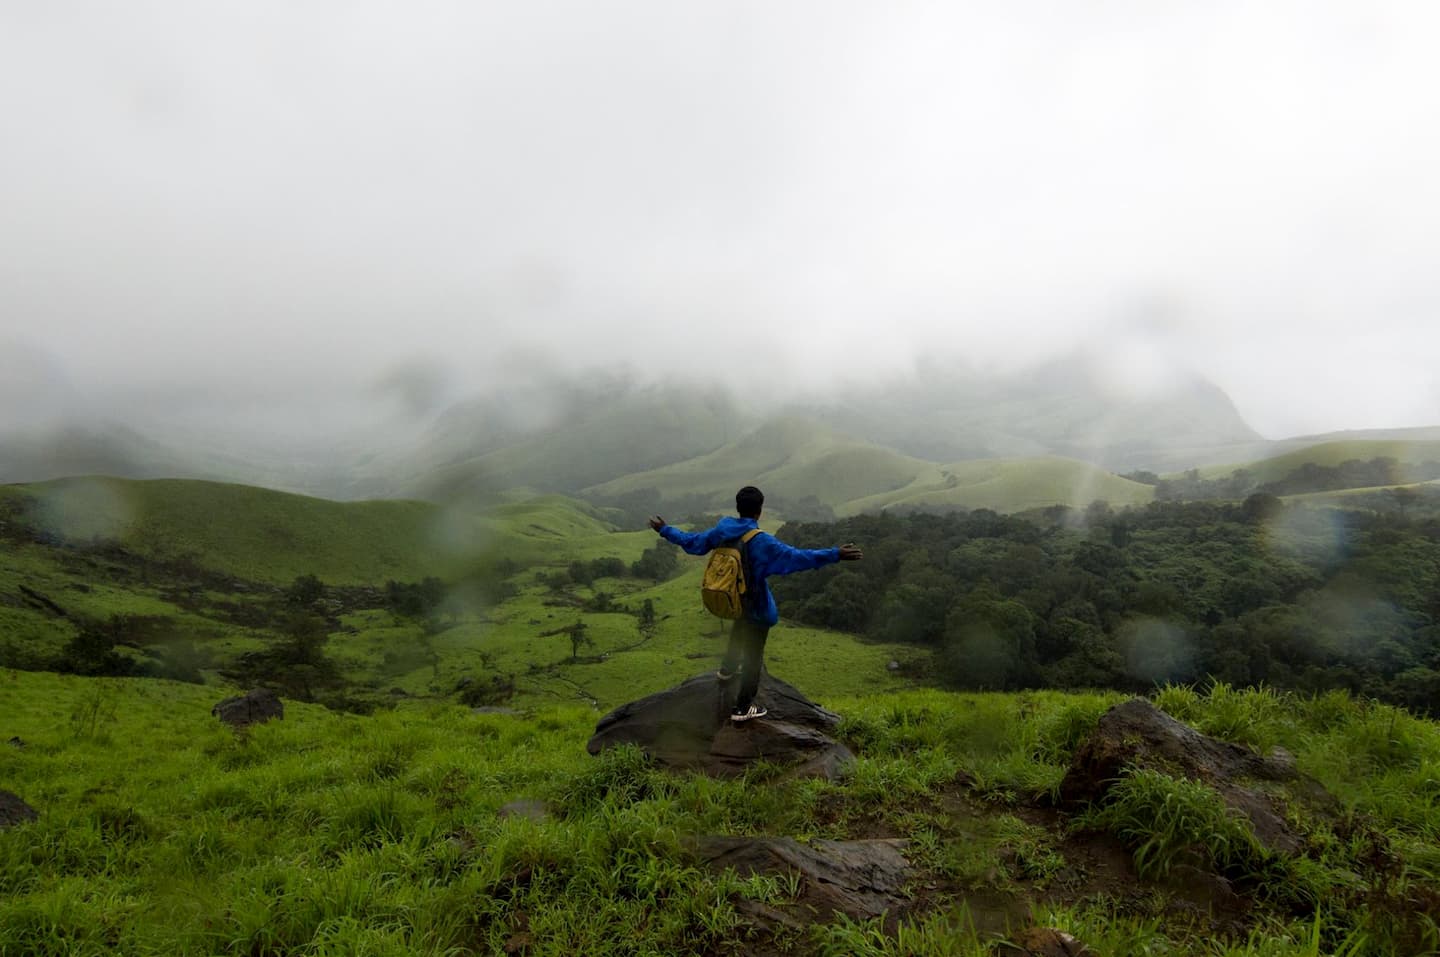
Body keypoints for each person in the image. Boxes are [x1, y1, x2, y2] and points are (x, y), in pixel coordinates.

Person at [648, 486, 862, 722]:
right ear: (759, 511)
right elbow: (798, 557)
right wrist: (835, 554)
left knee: (740, 626)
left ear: (738, 508)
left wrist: (665, 530)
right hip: (756, 605)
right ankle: (742, 708)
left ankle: (727, 671)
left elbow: (693, 542)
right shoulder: (762, 542)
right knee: (753, 657)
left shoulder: (722, 531)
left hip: (732, 598)